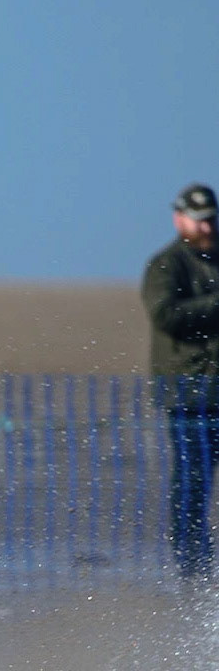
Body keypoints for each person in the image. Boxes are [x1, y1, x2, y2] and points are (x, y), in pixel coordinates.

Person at [145, 183, 219, 583]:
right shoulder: (166, 265)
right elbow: (165, 315)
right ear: (179, 219)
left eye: (210, 219)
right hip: (188, 395)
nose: (205, 227)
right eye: (198, 220)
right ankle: (194, 570)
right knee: (191, 485)